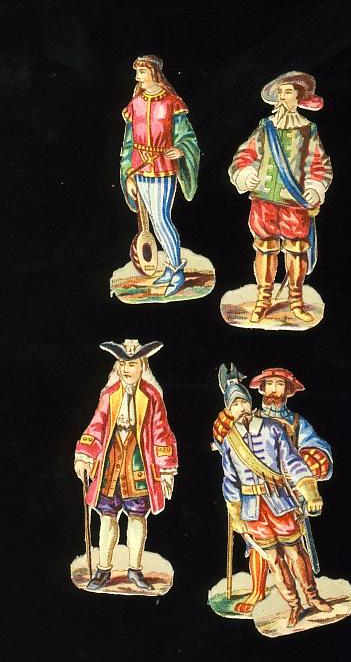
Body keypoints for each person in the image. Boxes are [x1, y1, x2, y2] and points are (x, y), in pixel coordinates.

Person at [214, 364, 331, 627]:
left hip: (280, 501)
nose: (241, 408)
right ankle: (294, 605)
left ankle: (313, 597)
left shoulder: (273, 429)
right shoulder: (230, 442)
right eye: (235, 405)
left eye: (243, 402)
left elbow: (293, 461)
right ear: (229, 410)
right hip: (252, 509)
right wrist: (235, 514)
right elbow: (230, 480)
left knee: (295, 552)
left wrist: (310, 490)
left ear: (250, 403)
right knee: (274, 560)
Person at [74, 339, 178, 591]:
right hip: (110, 464)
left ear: (143, 366)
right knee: (107, 517)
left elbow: (161, 433)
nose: (126, 369)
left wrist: (165, 469)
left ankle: (135, 570)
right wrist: (84, 455)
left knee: (137, 517)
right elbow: (97, 425)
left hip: (138, 465)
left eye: (131, 364)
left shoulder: (152, 396)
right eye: (122, 363)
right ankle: (103, 570)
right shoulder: (109, 394)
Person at [229, 72, 332, 323]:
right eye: (280, 92)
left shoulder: (308, 130)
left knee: (296, 250)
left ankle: (296, 301)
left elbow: (319, 165)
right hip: (263, 199)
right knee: (264, 248)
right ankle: (263, 300)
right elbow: (244, 156)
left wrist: (314, 187)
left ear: (298, 96)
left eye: (288, 92)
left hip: (294, 202)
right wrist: (246, 174)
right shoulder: (266, 127)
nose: (282, 97)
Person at [120, 55, 201, 296]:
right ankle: (170, 268)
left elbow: (188, 137)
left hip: (163, 166)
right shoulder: (134, 104)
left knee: (162, 219)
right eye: (137, 72)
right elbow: (128, 143)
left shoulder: (171, 103)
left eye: (142, 72)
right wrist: (129, 175)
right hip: (139, 167)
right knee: (154, 221)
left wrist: (181, 149)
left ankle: (177, 270)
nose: (137, 77)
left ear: (154, 73)